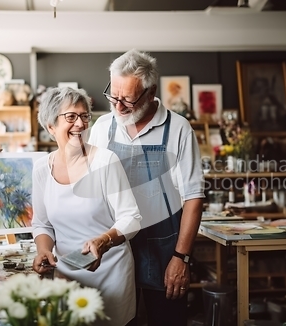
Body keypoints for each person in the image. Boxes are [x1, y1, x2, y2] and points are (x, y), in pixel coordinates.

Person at [88, 49, 205, 326]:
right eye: (113, 96)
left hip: (164, 253)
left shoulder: (178, 129)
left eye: (127, 99)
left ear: (150, 92)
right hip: (112, 251)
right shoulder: (102, 127)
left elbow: (193, 198)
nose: (117, 106)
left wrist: (181, 258)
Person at [31, 87, 142, 326]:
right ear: (51, 126)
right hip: (65, 277)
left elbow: (131, 218)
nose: (80, 124)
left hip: (110, 276)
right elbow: (42, 223)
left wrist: (103, 241)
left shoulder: (105, 161)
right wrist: (43, 250)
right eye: (71, 117)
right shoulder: (41, 168)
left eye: (84, 116)